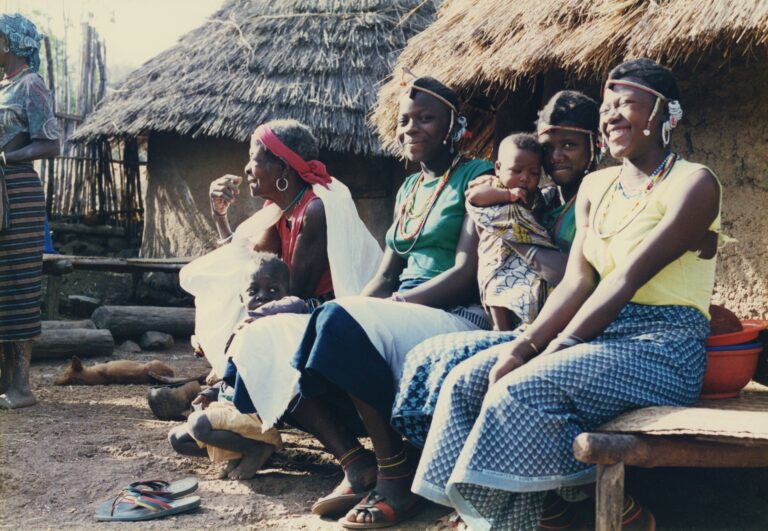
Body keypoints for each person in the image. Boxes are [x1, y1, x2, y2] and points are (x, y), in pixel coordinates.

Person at [411, 58, 720, 530]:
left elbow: (625, 278)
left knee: (522, 389)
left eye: (628, 105)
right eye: (607, 108)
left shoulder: (694, 184)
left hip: (662, 347)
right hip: (600, 334)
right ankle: (513, 515)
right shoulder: (598, 186)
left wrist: (553, 348)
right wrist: (523, 343)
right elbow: (578, 282)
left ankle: (509, 523)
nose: (612, 116)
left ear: (666, 115)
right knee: (465, 377)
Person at [288, 75, 494, 527]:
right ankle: (373, 462)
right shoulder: (408, 190)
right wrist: (337, 316)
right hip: (407, 310)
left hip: (457, 314)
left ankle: (396, 477)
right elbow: (383, 276)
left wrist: (395, 304)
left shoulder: (477, 176)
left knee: (342, 322)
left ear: (453, 127)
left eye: (426, 119)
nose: (411, 128)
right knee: (324, 326)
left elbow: (465, 273)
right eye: (404, 120)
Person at [392, 89, 600, 453]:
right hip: (531, 322)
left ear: (594, 146)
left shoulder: (600, 198)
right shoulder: (545, 201)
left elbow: (577, 276)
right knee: (431, 356)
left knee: (462, 370)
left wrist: (517, 240)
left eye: (569, 145)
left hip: (573, 329)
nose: (556, 157)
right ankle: (421, 466)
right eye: (548, 147)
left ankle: (488, 481)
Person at [179, 119, 381, 472]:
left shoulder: (314, 210)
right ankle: (247, 425)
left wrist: (236, 349)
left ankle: (353, 459)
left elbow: (296, 297)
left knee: (267, 340)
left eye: (254, 159)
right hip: (294, 312)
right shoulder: (282, 212)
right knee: (188, 433)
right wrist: (219, 218)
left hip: (328, 318)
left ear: (282, 168)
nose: (246, 168)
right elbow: (250, 269)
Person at [170, 252, 290, 480]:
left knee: (198, 425)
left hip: (254, 419)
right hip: (229, 410)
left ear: (288, 295)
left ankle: (259, 449)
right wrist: (213, 392)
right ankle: (241, 451)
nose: (263, 298)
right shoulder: (242, 328)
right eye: (253, 292)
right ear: (241, 298)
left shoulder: (279, 329)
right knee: (177, 439)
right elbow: (234, 376)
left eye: (273, 291)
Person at [0, 14, 60, 410]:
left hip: (18, 193)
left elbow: (51, 144)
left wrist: (9, 156)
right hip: (0, 189)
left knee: (19, 285)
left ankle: (20, 387)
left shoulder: (32, 86)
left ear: (8, 43)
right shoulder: (3, 87)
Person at [465, 132, 558, 330]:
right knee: (497, 296)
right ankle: (501, 330)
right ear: (498, 168)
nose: (525, 178)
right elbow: (475, 197)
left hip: (521, 262)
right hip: (496, 259)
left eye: (533, 173)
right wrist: (507, 194)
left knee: (526, 294)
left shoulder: (535, 197)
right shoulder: (492, 184)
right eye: (517, 170)